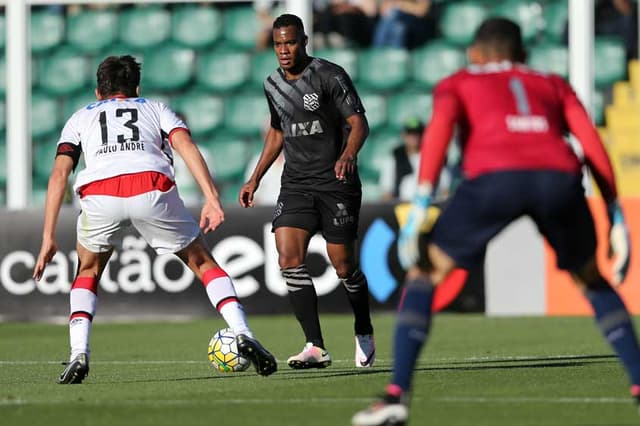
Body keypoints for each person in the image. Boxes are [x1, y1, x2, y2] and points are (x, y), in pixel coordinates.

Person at [352, 17, 636, 425]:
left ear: (475, 53)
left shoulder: (459, 82)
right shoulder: (553, 83)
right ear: (523, 55)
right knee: (591, 280)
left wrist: (420, 205)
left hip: (493, 178)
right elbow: (590, 143)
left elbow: (438, 135)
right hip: (558, 177)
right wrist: (613, 211)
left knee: (424, 275)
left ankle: (396, 395)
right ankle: (639, 384)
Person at [32, 55, 277, 384]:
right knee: (203, 262)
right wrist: (212, 198)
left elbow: (59, 174)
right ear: (136, 87)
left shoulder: (79, 118)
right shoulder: (156, 108)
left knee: (88, 269)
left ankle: (79, 353)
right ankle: (242, 331)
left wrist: (48, 236)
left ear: (97, 91)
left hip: (100, 195)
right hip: (152, 186)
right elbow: (186, 146)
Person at [239, 13, 375, 369]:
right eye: (278, 44)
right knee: (288, 257)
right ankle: (315, 345)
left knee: (344, 266)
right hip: (297, 183)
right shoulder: (272, 85)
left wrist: (348, 154)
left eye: (291, 42)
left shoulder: (329, 75)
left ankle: (363, 326)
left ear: (304, 41)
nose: (284, 50)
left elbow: (359, 123)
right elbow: (277, 132)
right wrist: (255, 178)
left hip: (335, 182)